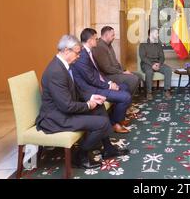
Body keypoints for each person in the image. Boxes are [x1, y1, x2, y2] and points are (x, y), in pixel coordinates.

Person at [35, 35, 129, 169]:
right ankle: (79, 155)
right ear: (66, 51)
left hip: (63, 111)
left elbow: (76, 90)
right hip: (56, 118)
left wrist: (92, 98)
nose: (79, 56)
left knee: (99, 107)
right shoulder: (55, 72)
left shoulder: (65, 66)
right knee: (102, 123)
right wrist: (87, 105)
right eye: (77, 52)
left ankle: (108, 149)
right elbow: (66, 106)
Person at [71, 28, 132, 134]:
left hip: (97, 84)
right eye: (95, 38)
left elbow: (96, 73)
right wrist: (109, 86)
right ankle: (114, 123)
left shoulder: (88, 52)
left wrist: (109, 83)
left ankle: (117, 118)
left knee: (124, 87)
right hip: (91, 90)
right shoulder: (82, 55)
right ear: (90, 40)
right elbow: (91, 79)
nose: (97, 40)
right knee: (126, 97)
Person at [92, 26, 141, 96]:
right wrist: (122, 72)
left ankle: (126, 97)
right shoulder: (100, 47)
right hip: (108, 75)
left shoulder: (108, 44)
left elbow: (115, 61)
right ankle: (126, 98)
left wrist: (124, 70)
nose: (114, 37)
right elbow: (106, 69)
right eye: (112, 35)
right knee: (134, 79)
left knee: (138, 75)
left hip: (115, 72)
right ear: (106, 35)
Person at [139, 27, 173, 101]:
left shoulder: (158, 44)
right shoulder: (143, 44)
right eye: (156, 33)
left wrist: (159, 64)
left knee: (168, 69)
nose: (158, 35)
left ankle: (167, 90)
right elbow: (143, 57)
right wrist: (152, 65)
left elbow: (162, 57)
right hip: (146, 64)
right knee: (149, 71)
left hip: (157, 63)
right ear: (151, 34)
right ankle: (149, 92)